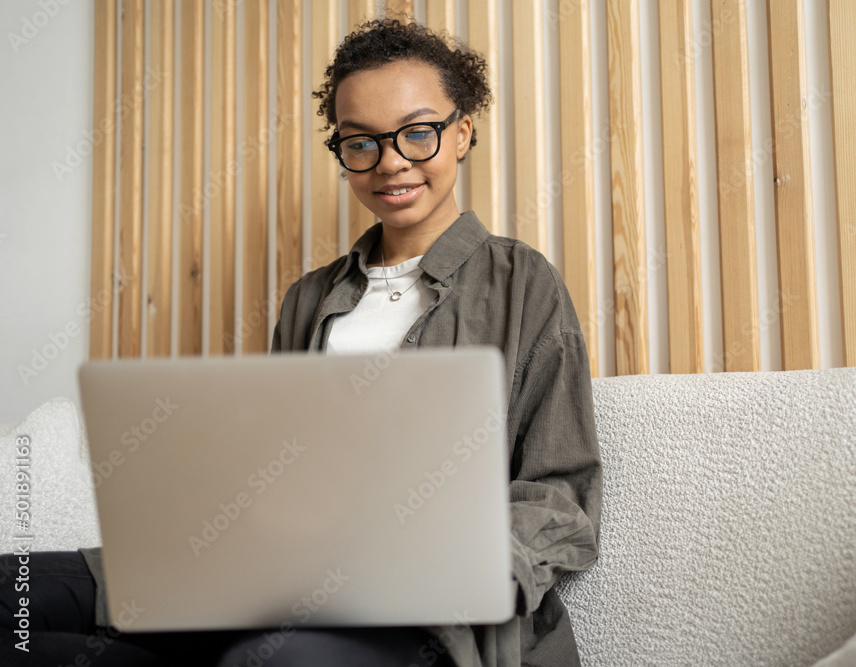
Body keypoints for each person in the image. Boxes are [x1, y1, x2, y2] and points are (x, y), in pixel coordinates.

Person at [1, 18, 602, 667]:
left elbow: (561, 493)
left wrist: (459, 570)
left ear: (463, 131)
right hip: (268, 581)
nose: (391, 160)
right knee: (17, 599)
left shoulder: (522, 284)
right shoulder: (309, 299)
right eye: (360, 142)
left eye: (418, 132)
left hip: (424, 622)